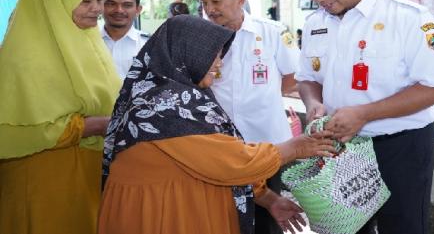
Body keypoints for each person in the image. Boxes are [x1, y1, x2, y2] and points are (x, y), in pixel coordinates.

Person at [99, 16, 335, 234]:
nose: (219, 63)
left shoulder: (187, 96)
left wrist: (268, 199)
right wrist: (296, 148)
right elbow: (233, 162)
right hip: (162, 215)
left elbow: (214, 159)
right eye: (214, 54)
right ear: (187, 52)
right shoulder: (163, 105)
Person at [286, 0, 434, 234]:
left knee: (403, 227)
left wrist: (364, 114)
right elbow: (307, 79)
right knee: (347, 228)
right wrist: (313, 104)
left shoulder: (408, 17)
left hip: (399, 145)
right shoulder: (315, 24)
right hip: (341, 146)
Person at [0, 0, 121, 234]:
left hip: (90, 175)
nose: (97, 10)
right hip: (44, 179)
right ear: (55, 0)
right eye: (86, 0)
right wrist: (96, 125)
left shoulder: (89, 44)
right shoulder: (24, 56)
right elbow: (17, 131)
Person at [197, 0, 300, 234]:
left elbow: (293, 78)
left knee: (267, 216)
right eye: (204, 2)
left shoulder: (272, 32)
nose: (210, 9)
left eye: (216, 1)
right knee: (223, 216)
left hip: (267, 141)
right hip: (219, 144)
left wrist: (261, 98)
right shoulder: (200, 36)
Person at [102, 0, 150, 79]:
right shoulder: (86, 42)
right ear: (100, 6)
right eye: (111, 4)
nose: (119, 10)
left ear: (138, 10)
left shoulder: (151, 44)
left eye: (127, 5)